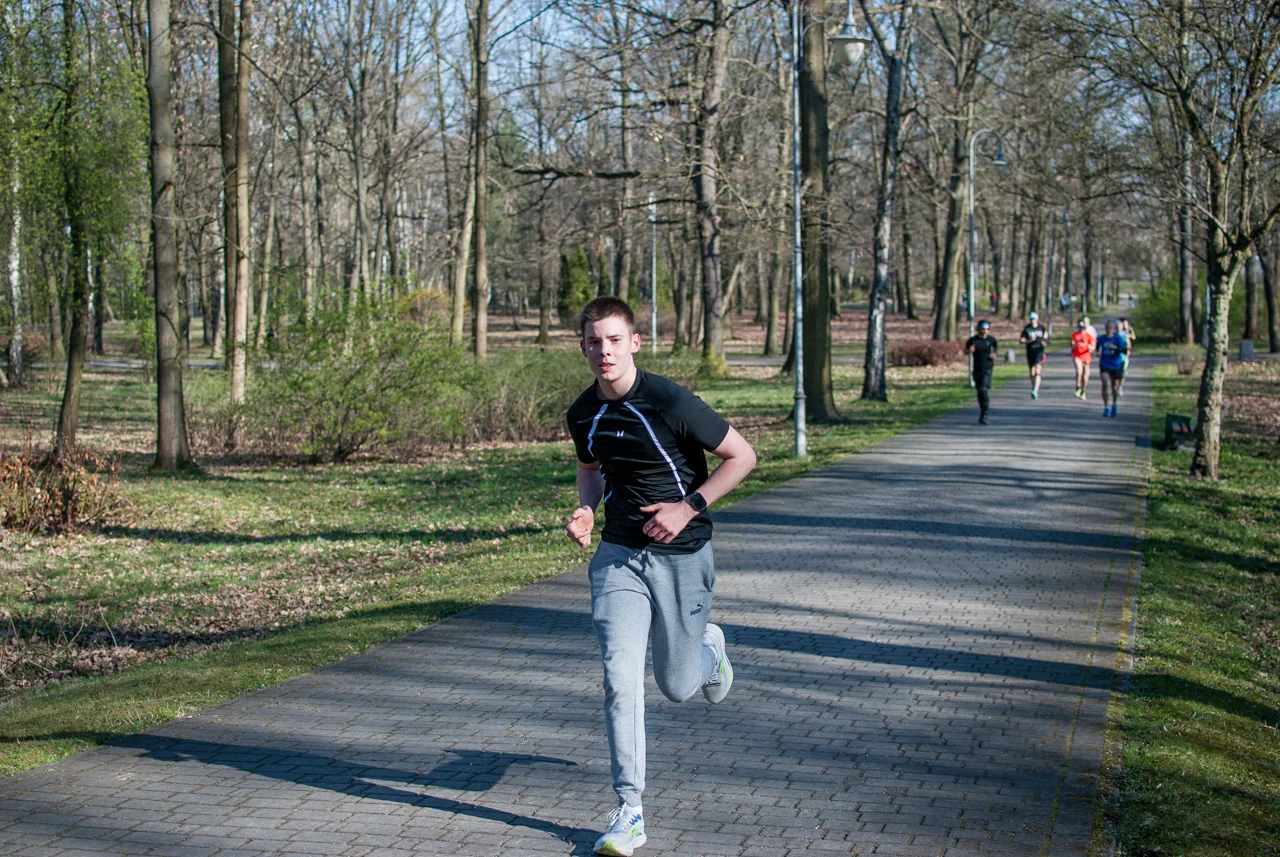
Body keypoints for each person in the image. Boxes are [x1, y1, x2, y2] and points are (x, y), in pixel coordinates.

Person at [566, 296, 757, 857]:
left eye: (614, 340)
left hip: (682, 555)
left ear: (635, 343)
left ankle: (709, 648)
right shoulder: (583, 412)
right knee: (619, 680)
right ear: (582, 346)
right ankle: (629, 811)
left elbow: (743, 457)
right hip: (619, 555)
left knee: (676, 686)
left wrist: (686, 507)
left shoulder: (670, 400)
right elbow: (589, 468)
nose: (604, 351)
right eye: (594, 342)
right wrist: (586, 509)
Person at [965, 319, 998, 424]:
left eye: (987, 329)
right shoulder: (973, 340)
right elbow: (965, 351)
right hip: (977, 368)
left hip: (987, 368)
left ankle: (985, 413)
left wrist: (994, 355)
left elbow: (995, 349)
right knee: (979, 391)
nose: (985, 331)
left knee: (983, 389)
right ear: (978, 329)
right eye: (983, 329)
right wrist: (969, 351)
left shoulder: (991, 340)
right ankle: (982, 411)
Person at [1096, 319, 1129, 417]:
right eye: (1106, 328)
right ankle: (1106, 406)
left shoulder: (1118, 338)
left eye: (1110, 328)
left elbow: (1124, 350)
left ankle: (1114, 404)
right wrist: (1098, 352)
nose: (1108, 330)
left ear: (1113, 329)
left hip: (1116, 365)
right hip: (1105, 364)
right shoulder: (1101, 338)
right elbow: (1097, 348)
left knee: (1114, 387)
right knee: (1104, 381)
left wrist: (1114, 348)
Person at [1019, 311, 1048, 399]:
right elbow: (1021, 340)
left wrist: (1044, 342)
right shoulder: (1027, 329)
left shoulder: (1041, 328)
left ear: (1037, 319)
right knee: (1032, 372)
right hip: (1030, 352)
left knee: (1038, 371)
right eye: (1031, 319)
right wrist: (1029, 341)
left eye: (1034, 319)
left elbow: (1046, 337)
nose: (1033, 321)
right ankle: (1033, 386)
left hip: (1039, 352)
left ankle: (1035, 389)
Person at [1071, 317, 1096, 399]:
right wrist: (1074, 345)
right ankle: (1077, 387)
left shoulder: (1088, 335)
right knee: (1079, 371)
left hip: (1086, 357)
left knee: (1085, 376)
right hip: (1077, 356)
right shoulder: (1075, 334)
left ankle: (1083, 390)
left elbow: (1093, 346)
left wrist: (1091, 347)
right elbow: (1072, 344)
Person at [1117, 318, 1136, 396]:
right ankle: (1116, 386)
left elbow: (1132, 340)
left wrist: (1127, 352)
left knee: (1122, 373)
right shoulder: (1114, 335)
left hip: (1123, 357)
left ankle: (1120, 387)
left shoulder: (1127, 333)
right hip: (1115, 358)